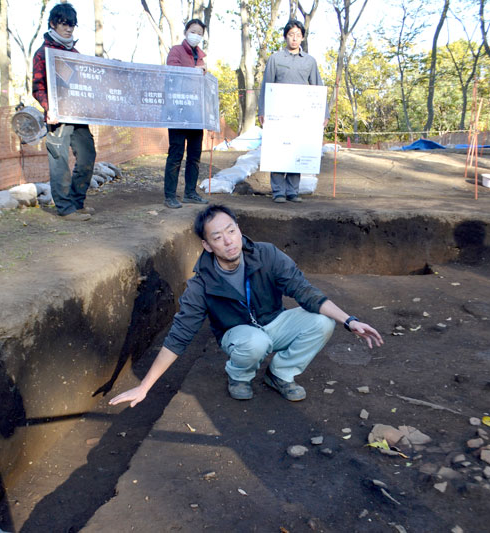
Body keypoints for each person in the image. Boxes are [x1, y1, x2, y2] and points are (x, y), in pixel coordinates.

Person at [109, 205, 382, 405]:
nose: (228, 241)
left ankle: (280, 374)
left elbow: (304, 291)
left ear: (239, 229)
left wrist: (349, 321)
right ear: (206, 245)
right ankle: (239, 375)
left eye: (231, 231)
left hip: (274, 321)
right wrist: (145, 386)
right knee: (254, 342)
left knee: (322, 321)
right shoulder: (202, 283)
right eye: (217, 237)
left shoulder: (267, 255)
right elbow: (179, 336)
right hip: (238, 334)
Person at [32, 3, 96, 222]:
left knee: (88, 155)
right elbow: (37, 86)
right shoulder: (43, 53)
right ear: (53, 23)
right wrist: (49, 108)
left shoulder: (75, 54)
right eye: (64, 24)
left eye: (72, 25)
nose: (69, 29)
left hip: (78, 115)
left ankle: (77, 202)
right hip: (56, 116)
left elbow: (85, 84)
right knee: (59, 160)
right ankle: (65, 208)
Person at [258, 19, 327, 204]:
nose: (294, 38)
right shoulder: (275, 59)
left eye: (298, 35)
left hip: (301, 115)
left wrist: (324, 114)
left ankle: (293, 192)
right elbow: (266, 86)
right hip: (278, 113)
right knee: (279, 151)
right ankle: (278, 192)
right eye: (291, 35)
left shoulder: (310, 61)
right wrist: (262, 111)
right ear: (285, 37)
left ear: (302, 37)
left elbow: (318, 87)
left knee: (296, 151)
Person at [162, 19, 209, 209]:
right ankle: (170, 195)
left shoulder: (202, 57)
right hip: (178, 111)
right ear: (186, 32)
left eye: (199, 33)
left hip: (196, 114)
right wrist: (195, 71)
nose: (196, 35)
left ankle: (190, 192)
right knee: (176, 153)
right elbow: (173, 73)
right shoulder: (176, 51)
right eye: (193, 31)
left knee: (195, 155)